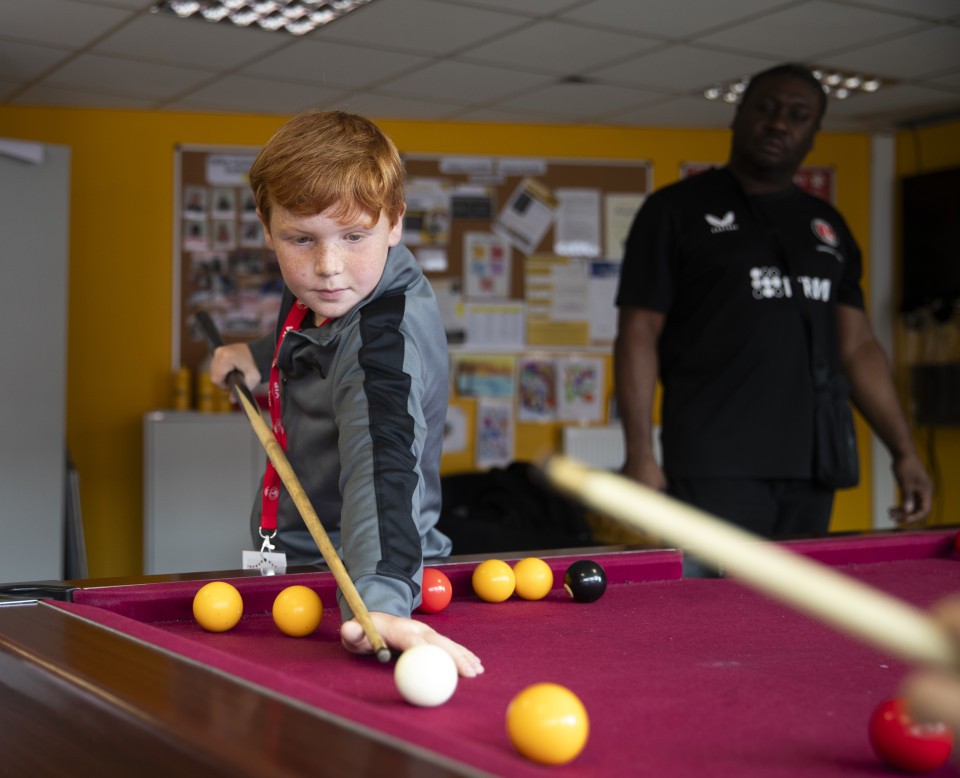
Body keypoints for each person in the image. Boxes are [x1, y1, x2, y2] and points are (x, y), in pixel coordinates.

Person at [614, 63, 932, 550]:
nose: (779, 123)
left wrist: (904, 451)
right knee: (720, 613)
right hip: (714, 464)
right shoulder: (674, 211)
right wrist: (639, 452)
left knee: (795, 612)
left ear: (812, 133)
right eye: (766, 108)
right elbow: (639, 332)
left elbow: (859, 347)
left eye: (798, 115)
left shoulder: (827, 226)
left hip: (813, 463)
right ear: (738, 115)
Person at [210, 110, 482, 677]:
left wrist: (378, 602)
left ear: (395, 222)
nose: (328, 268)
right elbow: (315, 336)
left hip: (356, 583)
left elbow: (380, 461)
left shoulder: (381, 345)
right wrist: (258, 357)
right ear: (267, 226)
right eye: (302, 239)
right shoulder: (335, 291)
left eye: (354, 236)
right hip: (303, 564)